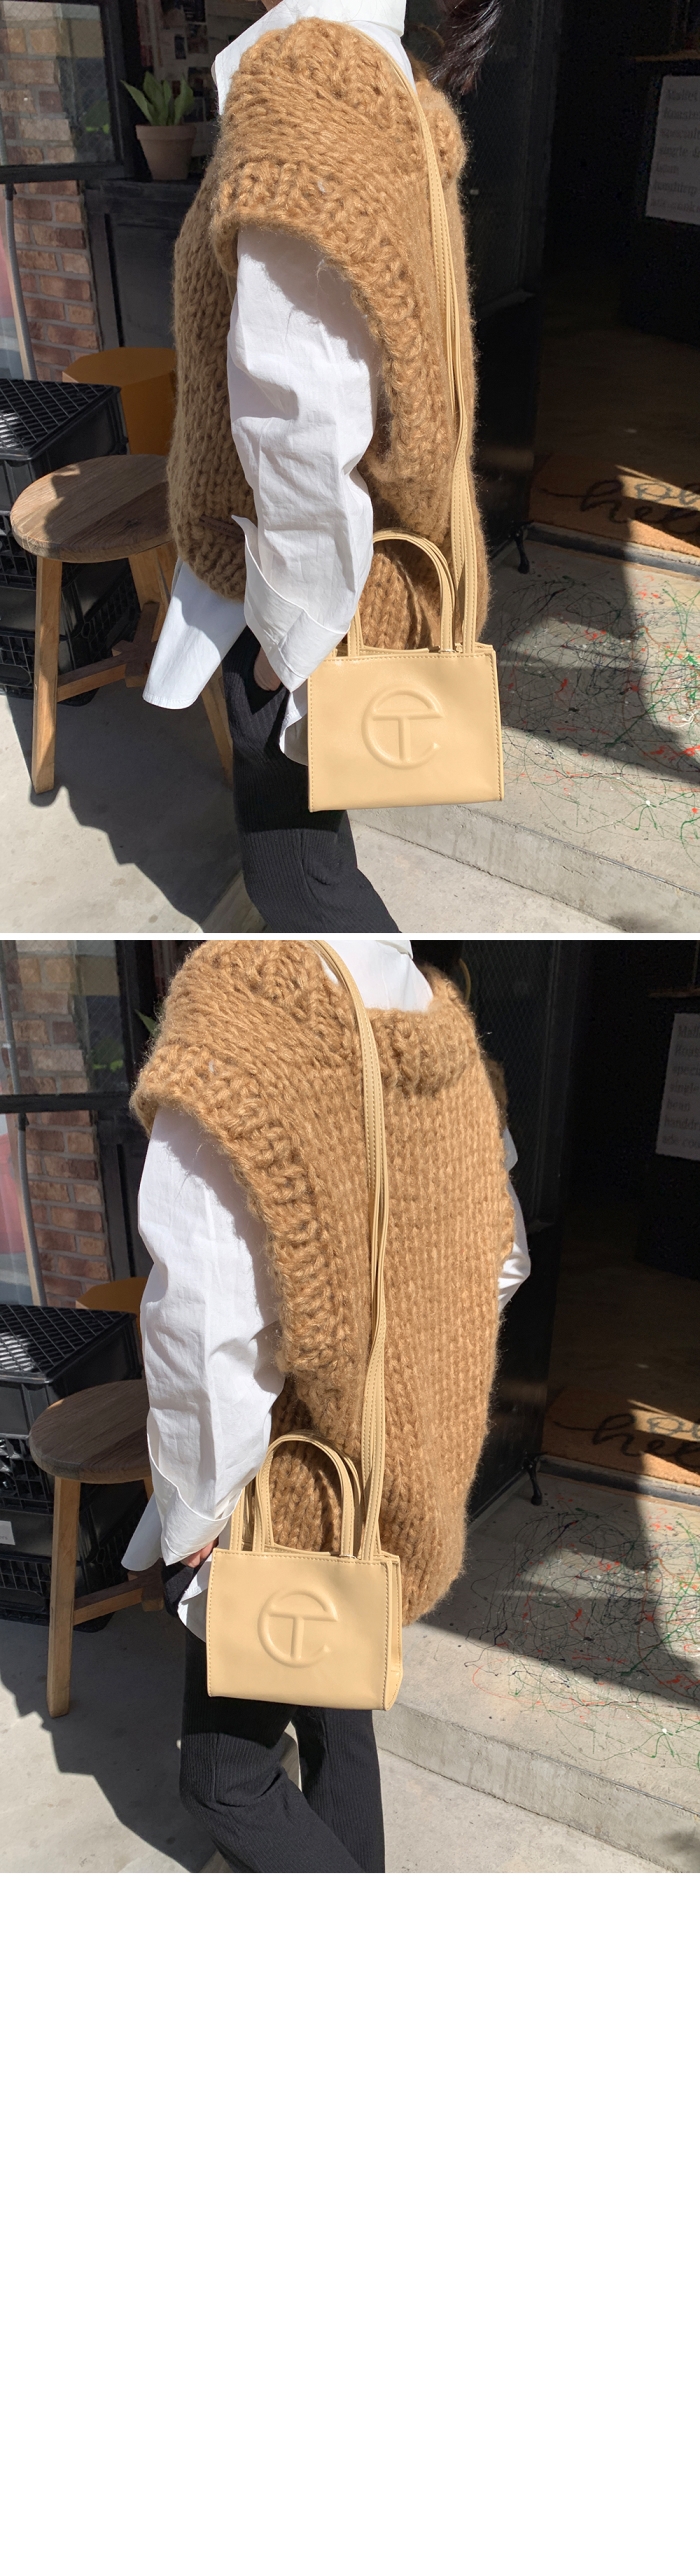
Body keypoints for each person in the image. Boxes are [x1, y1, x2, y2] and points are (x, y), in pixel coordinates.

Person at [123, 934, 530, 1873]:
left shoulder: (241, 1017)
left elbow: (203, 1326)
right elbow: (502, 1259)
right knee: (338, 1711)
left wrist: (191, 1517)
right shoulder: (444, 1030)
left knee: (225, 1779)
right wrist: (408, 1381)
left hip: (290, 1498)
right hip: (395, 1485)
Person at [144, 0, 500, 930]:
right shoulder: (384, 78)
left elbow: (302, 407)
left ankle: (394, 1003)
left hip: (289, 594)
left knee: (300, 885)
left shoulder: (308, 82)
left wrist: (285, 647)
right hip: (335, 574)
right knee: (315, 863)